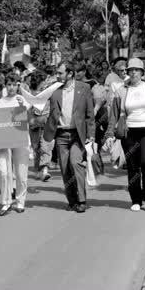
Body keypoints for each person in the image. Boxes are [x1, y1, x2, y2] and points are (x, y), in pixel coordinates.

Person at [105, 58, 145, 211]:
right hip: (129, 132)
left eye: (137, 70)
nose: (133, 72)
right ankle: (136, 200)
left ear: (142, 72)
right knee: (133, 167)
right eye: (131, 70)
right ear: (127, 72)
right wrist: (110, 134)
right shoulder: (121, 90)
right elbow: (113, 115)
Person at [43, 62, 95, 213]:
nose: (57, 75)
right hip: (60, 135)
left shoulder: (84, 88)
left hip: (78, 135)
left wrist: (91, 135)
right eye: (57, 73)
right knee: (65, 168)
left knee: (76, 163)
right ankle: (71, 200)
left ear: (70, 74)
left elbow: (90, 115)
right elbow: (39, 103)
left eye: (60, 73)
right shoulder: (54, 90)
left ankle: (82, 200)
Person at [0, 74, 31, 215]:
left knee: (21, 174)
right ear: (5, 85)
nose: (11, 87)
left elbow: (30, 117)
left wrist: (22, 106)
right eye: (9, 84)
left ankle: (20, 201)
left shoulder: (23, 100)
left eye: (14, 84)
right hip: (4, 141)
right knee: (4, 172)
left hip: (20, 141)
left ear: (18, 86)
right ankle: (6, 202)